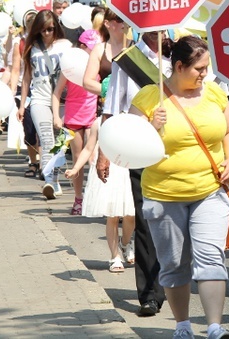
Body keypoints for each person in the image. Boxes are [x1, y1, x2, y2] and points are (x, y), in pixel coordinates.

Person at [130, 36, 229, 339]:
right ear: (179, 66)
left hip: (209, 191)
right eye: (200, 69)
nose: (205, 74)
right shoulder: (149, 98)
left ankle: (215, 327)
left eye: (206, 68)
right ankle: (182, 326)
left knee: (210, 258)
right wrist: (152, 128)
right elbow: (130, 149)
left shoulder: (215, 93)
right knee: (174, 264)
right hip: (164, 196)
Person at [99, 29, 172, 316]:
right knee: (144, 220)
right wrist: (103, 153)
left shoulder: (175, 55)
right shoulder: (128, 61)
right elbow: (113, 107)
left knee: (171, 223)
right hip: (141, 151)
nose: (158, 30)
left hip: (176, 153)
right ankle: (148, 294)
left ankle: (168, 281)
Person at [64, 117, 135, 272]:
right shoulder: (99, 122)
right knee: (113, 216)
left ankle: (125, 242)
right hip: (110, 172)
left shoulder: (132, 119)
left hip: (128, 169)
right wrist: (75, 169)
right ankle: (115, 256)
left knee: (131, 215)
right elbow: (89, 148)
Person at [17, 10, 72, 199]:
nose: (47, 33)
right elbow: (26, 77)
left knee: (60, 144)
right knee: (47, 140)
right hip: (40, 100)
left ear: (56, 27)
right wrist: (22, 105)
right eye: (42, 30)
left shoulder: (66, 46)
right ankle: (48, 181)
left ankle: (54, 180)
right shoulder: (32, 47)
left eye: (50, 29)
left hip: (64, 101)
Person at [52, 29, 100, 214]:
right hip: (73, 117)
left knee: (94, 158)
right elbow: (57, 92)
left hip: (92, 116)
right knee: (78, 159)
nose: (94, 51)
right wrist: (56, 116)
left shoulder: (96, 64)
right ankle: (78, 199)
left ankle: (96, 197)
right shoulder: (71, 65)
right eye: (90, 48)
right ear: (81, 47)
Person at [8, 10, 41, 178]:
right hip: (24, 89)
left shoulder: (45, 43)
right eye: (30, 21)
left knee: (41, 127)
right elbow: (15, 70)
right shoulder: (20, 43)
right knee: (29, 128)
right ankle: (33, 160)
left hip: (43, 88)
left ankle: (42, 162)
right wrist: (13, 91)